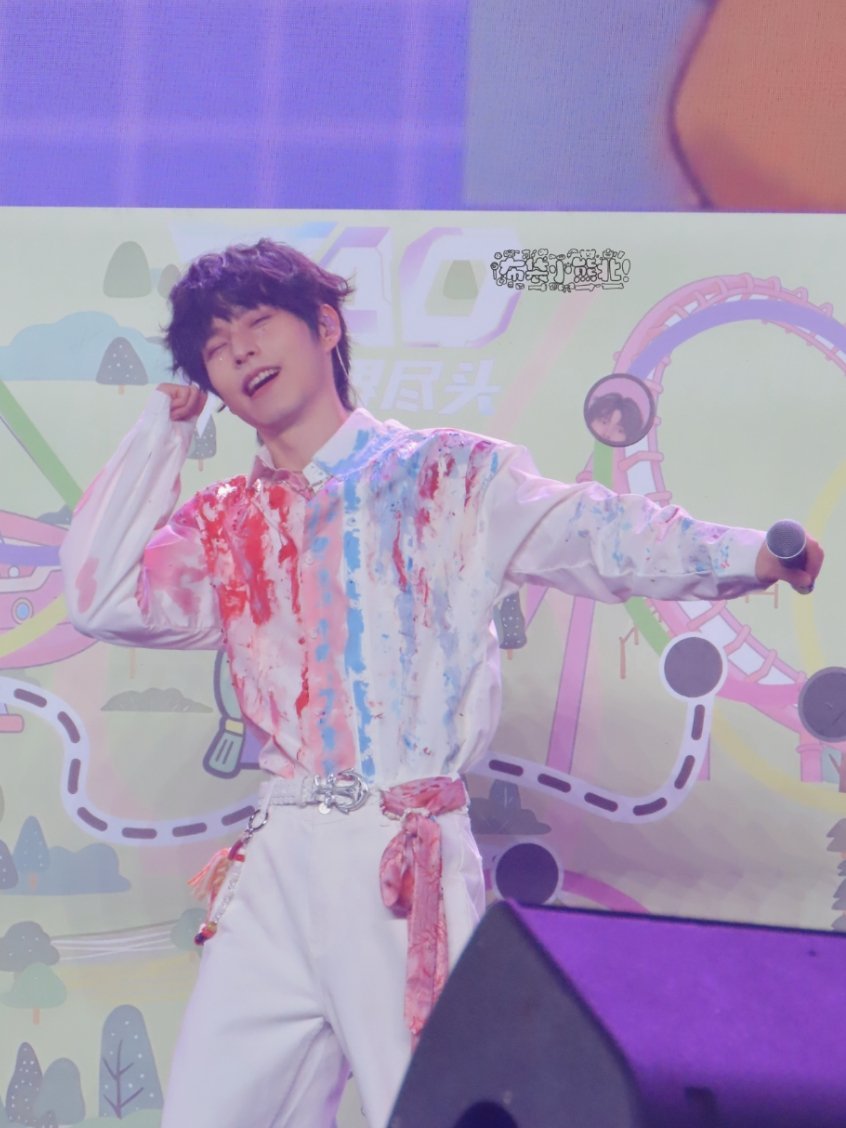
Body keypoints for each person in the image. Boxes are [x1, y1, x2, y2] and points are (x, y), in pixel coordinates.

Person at [60, 239, 823, 1128]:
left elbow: (596, 533)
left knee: (430, 1110)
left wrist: (747, 558)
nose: (241, 353)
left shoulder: (448, 475)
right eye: (216, 347)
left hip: (402, 852)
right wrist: (160, 437)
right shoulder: (224, 524)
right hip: (275, 856)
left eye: (259, 323)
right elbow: (102, 595)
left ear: (325, 326)